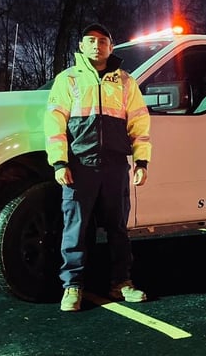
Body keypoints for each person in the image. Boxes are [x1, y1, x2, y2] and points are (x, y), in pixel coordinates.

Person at [44, 23, 152, 311]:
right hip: (80, 166)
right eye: (90, 40)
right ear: (81, 46)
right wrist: (59, 161)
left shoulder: (126, 82)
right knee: (75, 228)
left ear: (110, 47)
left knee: (118, 229)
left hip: (116, 165)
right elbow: (54, 124)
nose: (96, 45)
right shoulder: (67, 80)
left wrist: (142, 161)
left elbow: (139, 124)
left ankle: (121, 283)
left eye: (102, 41)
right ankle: (72, 287)